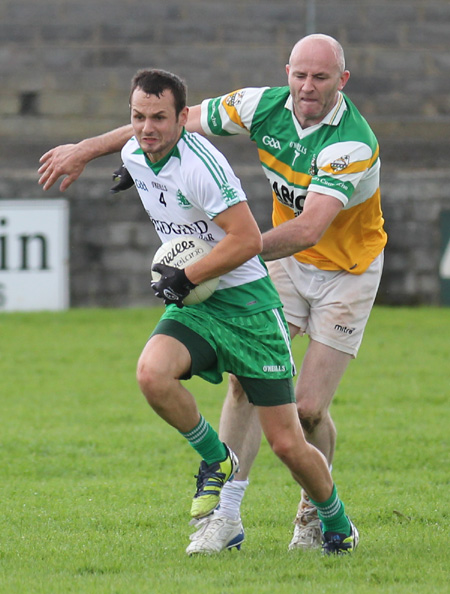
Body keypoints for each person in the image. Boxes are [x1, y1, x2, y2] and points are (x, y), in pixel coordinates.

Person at [38, 34, 384, 554]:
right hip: (281, 263)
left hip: (346, 271)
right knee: (241, 387)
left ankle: (318, 514)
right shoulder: (259, 105)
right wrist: (103, 153)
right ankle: (226, 515)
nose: (308, 87)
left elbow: (310, 228)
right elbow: (168, 120)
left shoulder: (350, 143)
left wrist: (217, 257)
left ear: (343, 81)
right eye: (300, 75)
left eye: (321, 78)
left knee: (307, 409)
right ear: (286, 72)